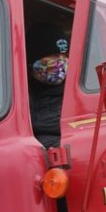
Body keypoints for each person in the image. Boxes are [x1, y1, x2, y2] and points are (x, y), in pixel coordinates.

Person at [25, 21, 69, 149]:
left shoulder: (73, 96)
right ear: (33, 61)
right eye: (54, 56)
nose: (61, 62)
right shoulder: (17, 95)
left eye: (65, 56)